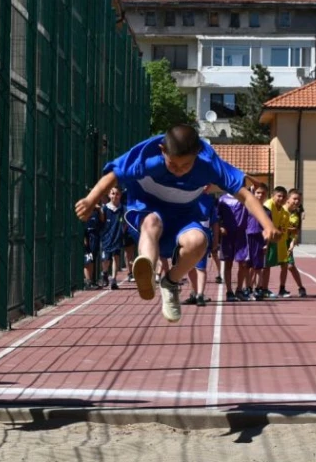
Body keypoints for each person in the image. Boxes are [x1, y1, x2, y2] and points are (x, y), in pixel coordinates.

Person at [75, 125, 279, 322]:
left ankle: (170, 282)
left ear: (197, 154)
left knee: (199, 241)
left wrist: (267, 225)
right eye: (172, 164)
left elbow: (245, 195)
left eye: (185, 165)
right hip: (148, 208)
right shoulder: (148, 158)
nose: (179, 170)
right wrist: (90, 200)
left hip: (183, 215)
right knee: (152, 222)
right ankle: (147, 266)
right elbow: (113, 175)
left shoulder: (208, 164)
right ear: (163, 150)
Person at [183, 188, 221, 307]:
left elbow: (214, 222)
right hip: (187, 236)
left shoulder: (209, 200)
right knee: (188, 267)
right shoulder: (185, 196)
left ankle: (200, 294)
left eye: (207, 184)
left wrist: (215, 240)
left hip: (203, 237)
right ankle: (194, 293)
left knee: (201, 267)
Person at [217, 190, 250, 301]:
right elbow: (218, 216)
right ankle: (229, 291)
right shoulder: (222, 199)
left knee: (243, 263)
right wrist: (221, 226)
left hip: (241, 234)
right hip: (227, 234)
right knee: (228, 263)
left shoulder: (245, 198)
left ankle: (239, 290)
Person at [261, 186, 290, 299]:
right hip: (264, 237)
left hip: (273, 240)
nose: (281, 198)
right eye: (279, 196)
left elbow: (282, 228)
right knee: (260, 265)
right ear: (273, 196)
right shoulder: (268, 206)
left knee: (267, 265)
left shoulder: (283, 211)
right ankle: (258, 288)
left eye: (283, 196)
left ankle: (263, 288)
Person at [246, 183, 270, 300]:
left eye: (263, 193)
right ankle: (248, 288)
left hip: (260, 239)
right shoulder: (248, 208)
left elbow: (269, 228)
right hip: (248, 238)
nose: (260, 195)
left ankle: (259, 288)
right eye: (258, 193)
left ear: (266, 196)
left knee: (258, 266)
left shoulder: (267, 211)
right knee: (248, 265)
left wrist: (267, 243)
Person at [283, 188, 307, 298]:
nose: (297, 201)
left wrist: (293, 242)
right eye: (294, 199)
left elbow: (296, 230)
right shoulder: (281, 210)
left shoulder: (297, 213)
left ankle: (301, 287)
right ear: (288, 199)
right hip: (277, 240)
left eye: (299, 199)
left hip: (287, 242)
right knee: (265, 266)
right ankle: (259, 288)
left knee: (290, 266)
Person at [100, 186, 124, 290]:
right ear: (109, 195)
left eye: (117, 194)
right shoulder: (105, 208)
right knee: (106, 259)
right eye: (113, 193)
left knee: (116, 257)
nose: (115, 196)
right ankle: (105, 273)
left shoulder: (123, 208)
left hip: (117, 237)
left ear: (120, 195)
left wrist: (123, 229)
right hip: (106, 237)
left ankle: (113, 280)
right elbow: (101, 221)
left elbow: (126, 221)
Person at [83, 198, 104, 290]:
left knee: (92, 258)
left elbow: (102, 220)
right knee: (88, 259)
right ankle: (88, 281)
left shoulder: (98, 210)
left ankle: (91, 280)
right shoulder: (85, 210)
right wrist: (84, 238)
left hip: (95, 236)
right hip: (88, 235)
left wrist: (99, 209)